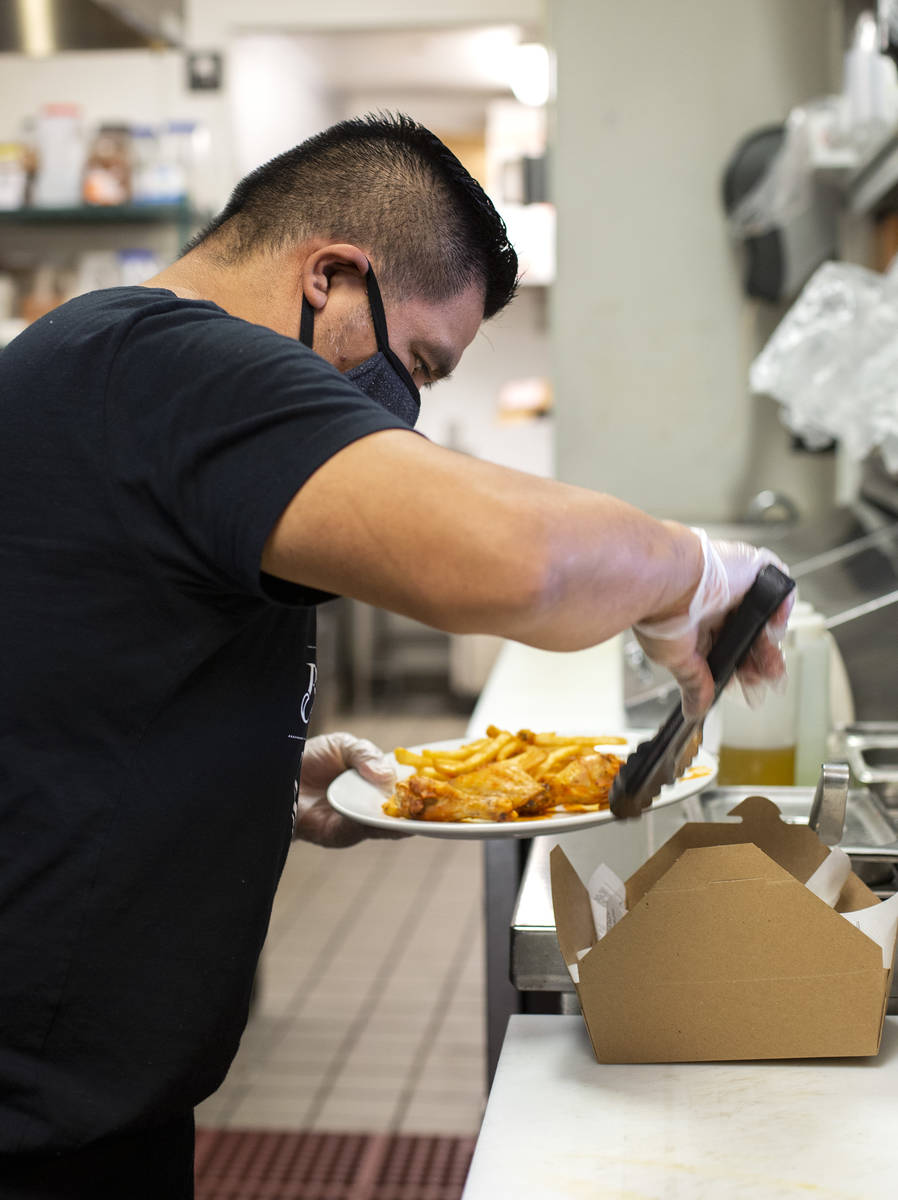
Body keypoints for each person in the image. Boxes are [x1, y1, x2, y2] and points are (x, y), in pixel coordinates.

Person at [0, 112, 789, 1196]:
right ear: (328, 276)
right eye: (414, 361)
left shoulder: (113, 367)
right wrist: (694, 574)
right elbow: (518, 564)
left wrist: (248, 781)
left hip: (86, 1088)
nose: (405, 409)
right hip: (37, 1115)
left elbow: (75, 682)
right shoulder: (178, 362)